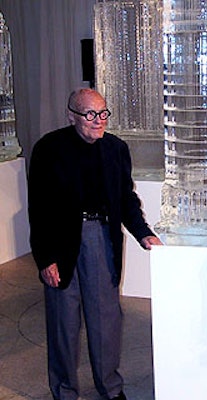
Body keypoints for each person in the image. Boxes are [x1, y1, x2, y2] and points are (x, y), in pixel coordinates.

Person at [28, 88, 162, 400]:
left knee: (106, 321)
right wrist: (45, 258)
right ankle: (64, 391)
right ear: (71, 115)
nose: (98, 120)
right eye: (90, 114)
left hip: (101, 237)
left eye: (102, 113)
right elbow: (40, 207)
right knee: (64, 323)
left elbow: (126, 198)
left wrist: (143, 232)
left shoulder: (115, 148)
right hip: (61, 243)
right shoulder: (49, 148)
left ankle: (110, 387)